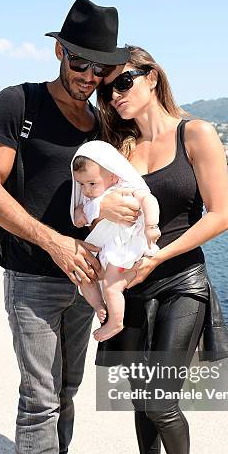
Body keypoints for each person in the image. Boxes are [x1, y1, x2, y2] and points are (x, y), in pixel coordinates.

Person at [0, 0, 140, 454]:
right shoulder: (18, 102)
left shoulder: (102, 123)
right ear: (58, 50)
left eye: (101, 70)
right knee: (41, 398)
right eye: (80, 63)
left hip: (85, 279)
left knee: (66, 390)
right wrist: (55, 242)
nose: (90, 78)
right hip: (34, 275)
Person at [95, 46, 228, 454]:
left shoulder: (195, 133)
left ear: (151, 77)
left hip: (181, 281)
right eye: (107, 90)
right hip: (131, 287)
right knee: (140, 397)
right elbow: (90, 200)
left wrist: (159, 256)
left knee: (160, 399)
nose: (114, 96)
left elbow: (219, 216)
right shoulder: (120, 147)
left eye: (123, 83)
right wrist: (103, 205)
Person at [70, 140, 160, 341]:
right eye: (81, 184)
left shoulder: (126, 187)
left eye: (92, 183)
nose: (86, 190)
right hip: (102, 246)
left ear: (112, 175)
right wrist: (80, 213)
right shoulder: (90, 197)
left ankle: (116, 322)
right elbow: (79, 217)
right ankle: (98, 306)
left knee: (113, 285)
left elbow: (148, 200)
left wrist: (151, 226)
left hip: (124, 246)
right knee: (83, 277)